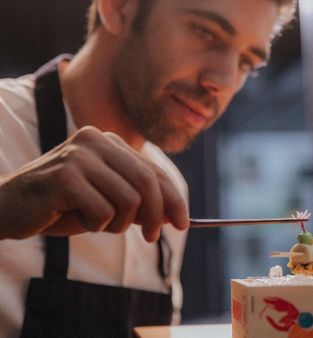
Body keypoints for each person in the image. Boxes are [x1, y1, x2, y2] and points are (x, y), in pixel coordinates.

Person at [0, 0, 296, 336]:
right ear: (117, 7)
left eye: (247, 62)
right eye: (205, 33)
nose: (224, 82)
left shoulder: (169, 186)